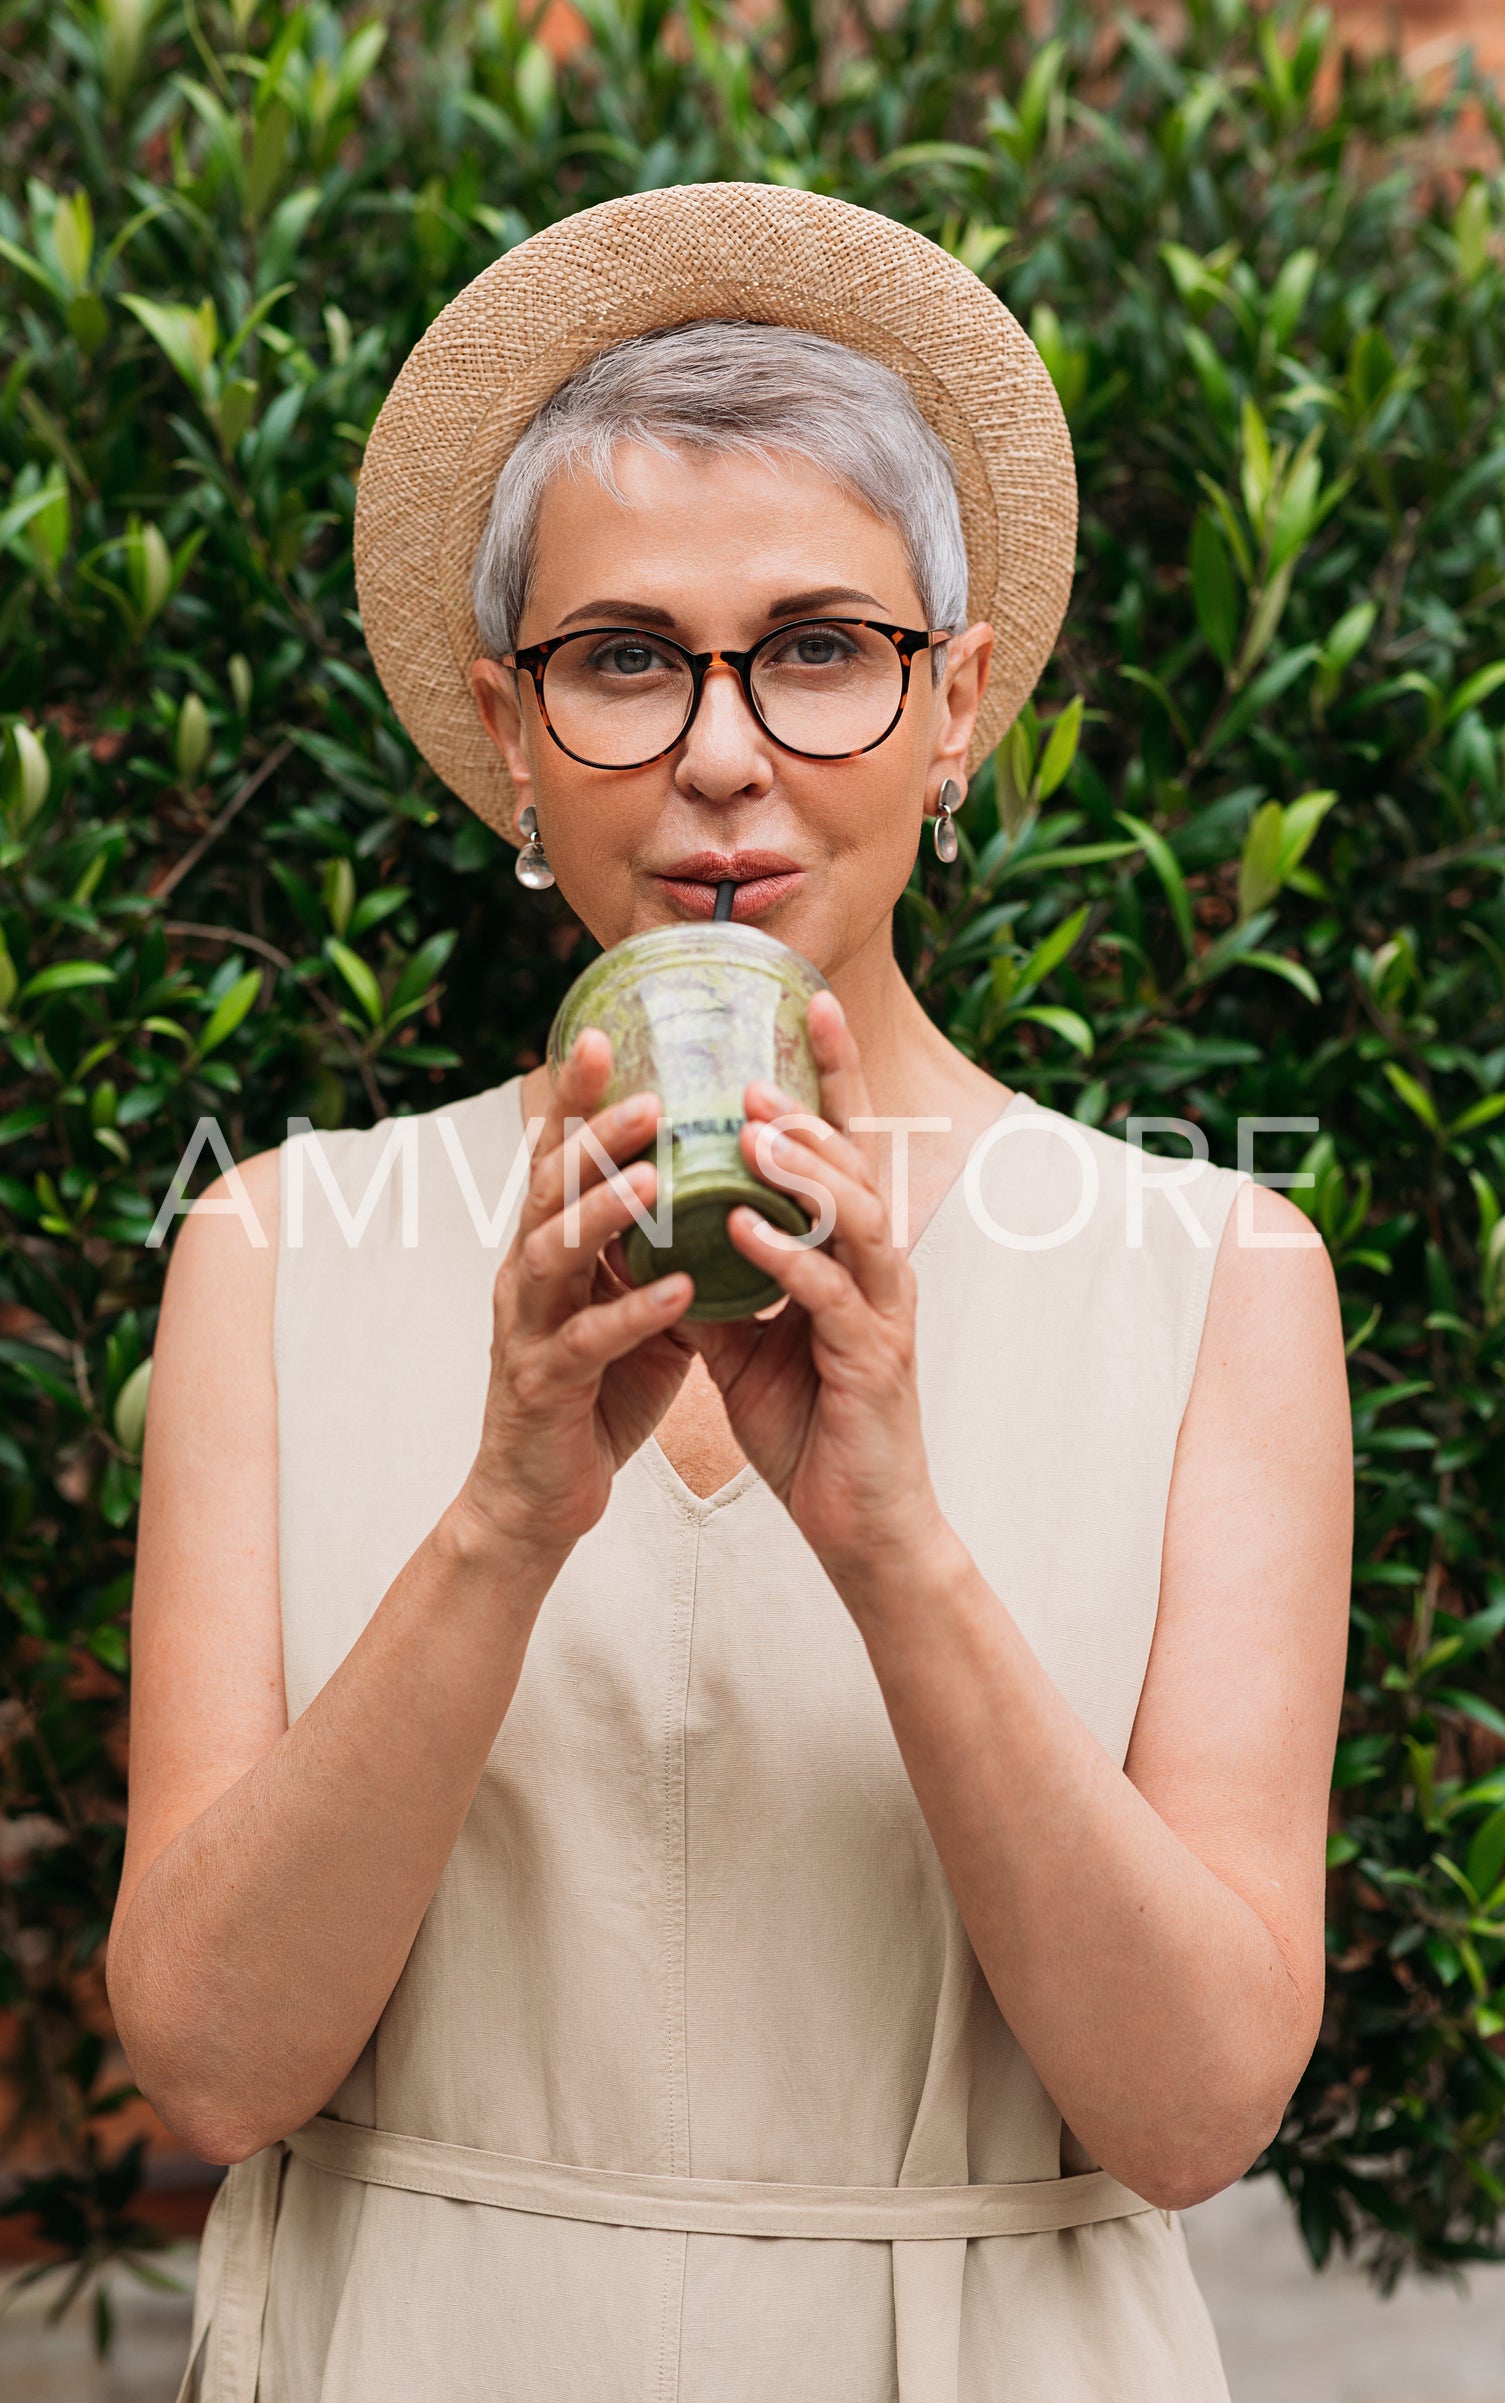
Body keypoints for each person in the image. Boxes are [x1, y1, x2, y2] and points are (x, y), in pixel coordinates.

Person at [106, 184, 1353, 2403]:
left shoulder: (1209, 1277)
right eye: (620, 656)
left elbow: (1193, 2108)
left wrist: (893, 1535)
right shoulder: (278, 1250)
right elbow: (208, 2064)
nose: (717, 750)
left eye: (817, 644)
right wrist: (503, 1509)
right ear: (508, 724)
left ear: (956, 698)